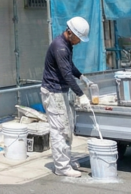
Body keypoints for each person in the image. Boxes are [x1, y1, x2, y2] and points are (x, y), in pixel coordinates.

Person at [41, 16, 93, 178]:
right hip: (53, 92)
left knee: (67, 128)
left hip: (60, 91)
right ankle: (62, 167)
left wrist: (82, 76)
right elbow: (66, 74)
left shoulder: (68, 45)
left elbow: (69, 66)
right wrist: (81, 94)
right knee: (59, 130)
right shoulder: (60, 47)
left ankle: (66, 160)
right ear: (70, 32)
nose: (79, 41)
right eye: (79, 38)